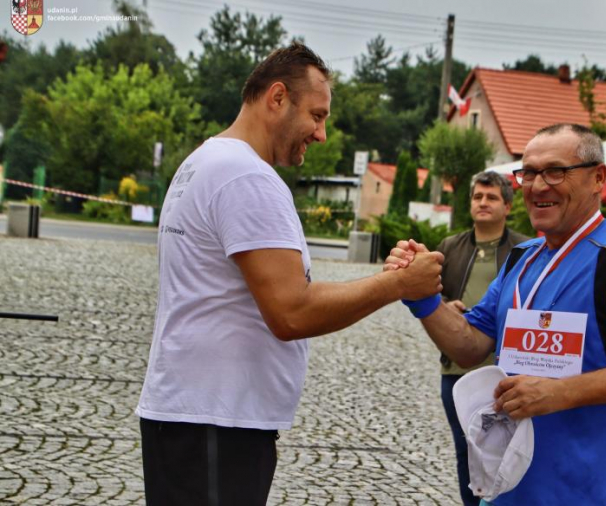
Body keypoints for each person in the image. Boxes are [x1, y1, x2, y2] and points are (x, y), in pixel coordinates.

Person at [135, 43, 444, 506]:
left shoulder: (205, 161)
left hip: (197, 417)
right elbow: (291, 312)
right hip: (216, 421)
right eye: (316, 116)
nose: (321, 134)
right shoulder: (246, 176)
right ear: (277, 97)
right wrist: (398, 284)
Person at [387, 123, 606, 504]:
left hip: (588, 493)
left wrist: (559, 392)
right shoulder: (522, 258)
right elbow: (469, 345)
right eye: (528, 173)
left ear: (598, 178)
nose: (537, 185)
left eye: (555, 171)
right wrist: (423, 297)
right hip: (507, 490)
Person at [436, 171, 528, 506]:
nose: (483, 203)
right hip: (457, 369)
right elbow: (431, 292)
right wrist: (445, 307)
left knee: (509, 451)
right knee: (467, 450)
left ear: (507, 206)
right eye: (477, 197)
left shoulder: (525, 250)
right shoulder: (450, 247)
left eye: (491, 197)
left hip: (505, 372)